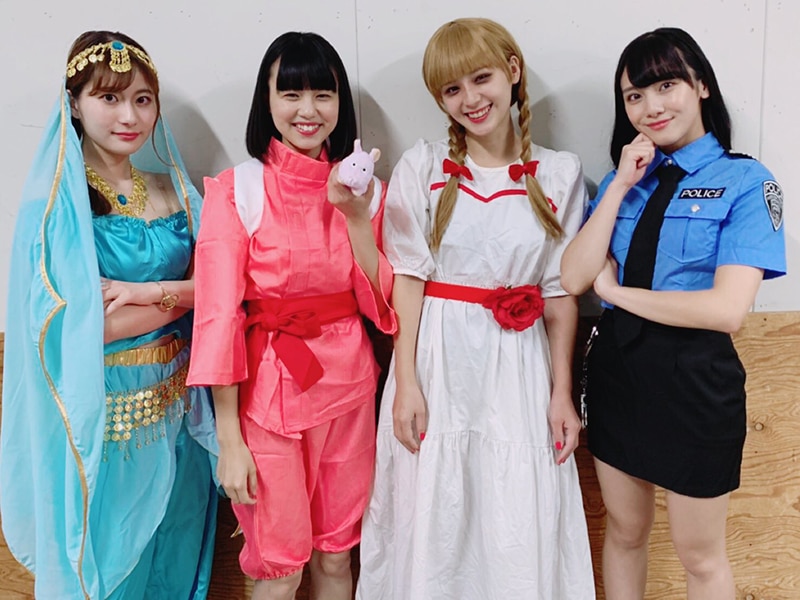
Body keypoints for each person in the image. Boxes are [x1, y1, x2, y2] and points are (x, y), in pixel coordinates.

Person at [357, 18, 595, 600]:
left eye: (481, 78)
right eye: (452, 89)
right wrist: (406, 383)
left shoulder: (560, 174)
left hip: (519, 370)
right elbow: (408, 278)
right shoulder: (424, 166)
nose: (470, 99)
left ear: (512, 70)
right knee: (433, 508)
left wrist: (562, 392)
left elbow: (560, 294)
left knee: (513, 513)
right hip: (438, 365)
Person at [560, 27, 786, 600]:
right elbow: (573, 277)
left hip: (695, 383)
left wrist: (618, 294)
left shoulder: (746, 181)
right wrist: (618, 186)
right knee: (625, 531)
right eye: (635, 96)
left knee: (699, 554)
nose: (651, 107)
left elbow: (727, 310)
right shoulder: (625, 180)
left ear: (701, 85)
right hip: (618, 374)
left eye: (666, 86)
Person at [0, 31, 219, 600]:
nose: (129, 116)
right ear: (74, 104)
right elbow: (81, 331)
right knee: (111, 567)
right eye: (109, 98)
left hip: (183, 412)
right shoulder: (56, 208)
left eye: (143, 100)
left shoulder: (176, 191)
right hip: (106, 420)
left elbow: (225, 293)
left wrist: (143, 293)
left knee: (175, 554)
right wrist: (184, 296)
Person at [186, 31, 396, 600]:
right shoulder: (238, 190)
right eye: (292, 93)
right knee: (279, 569)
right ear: (268, 99)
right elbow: (218, 316)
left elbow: (382, 304)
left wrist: (356, 216)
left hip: (349, 390)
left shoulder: (367, 191)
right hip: (267, 396)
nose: (308, 110)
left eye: (323, 94)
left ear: (340, 104)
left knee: (337, 555)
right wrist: (230, 440)